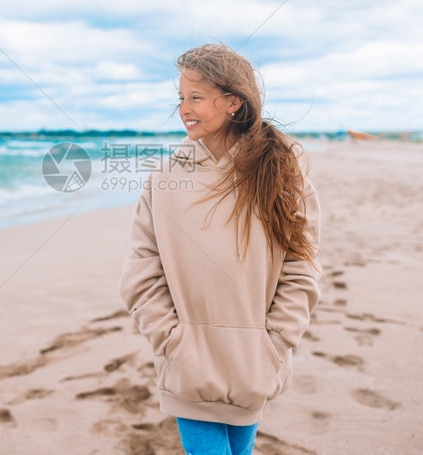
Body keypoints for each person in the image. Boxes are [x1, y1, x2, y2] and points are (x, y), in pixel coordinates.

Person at [119, 44, 322, 455]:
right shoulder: (163, 179)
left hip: (254, 365)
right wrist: (172, 341)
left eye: (195, 97)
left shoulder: (281, 171)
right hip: (188, 368)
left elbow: (301, 269)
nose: (184, 108)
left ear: (233, 102)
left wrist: (273, 343)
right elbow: (142, 271)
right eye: (180, 98)